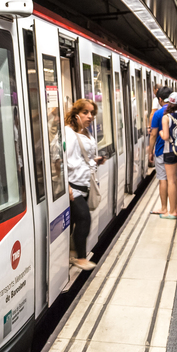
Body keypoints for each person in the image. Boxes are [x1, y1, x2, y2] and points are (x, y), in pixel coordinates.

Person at [64, 99, 107, 270]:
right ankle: (80, 258)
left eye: (92, 113)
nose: (90, 116)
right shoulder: (69, 134)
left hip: (84, 183)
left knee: (75, 222)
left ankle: (68, 254)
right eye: (85, 113)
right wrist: (66, 187)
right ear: (76, 114)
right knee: (84, 219)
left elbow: (81, 159)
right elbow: (61, 161)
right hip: (73, 186)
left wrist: (95, 161)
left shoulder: (85, 132)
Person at [148, 87, 173, 214]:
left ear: (160, 99)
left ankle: (164, 208)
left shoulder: (158, 114)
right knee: (175, 180)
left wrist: (150, 151)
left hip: (161, 150)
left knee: (163, 179)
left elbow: (153, 135)